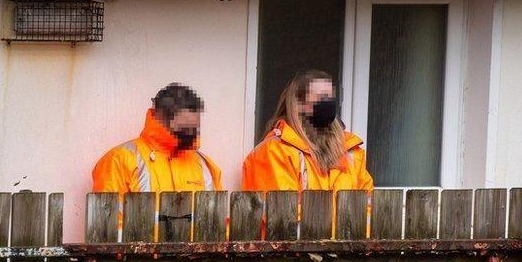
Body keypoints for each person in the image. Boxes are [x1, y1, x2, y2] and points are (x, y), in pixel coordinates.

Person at [243, 70, 372, 191]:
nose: (327, 104)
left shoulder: (350, 151)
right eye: (322, 97)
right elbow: (281, 210)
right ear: (299, 104)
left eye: (330, 98)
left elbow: (369, 204)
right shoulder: (275, 151)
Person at [93, 83, 222, 193]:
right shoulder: (120, 160)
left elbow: (219, 219)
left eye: (194, 129)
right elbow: (108, 218)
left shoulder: (205, 165)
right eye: (184, 129)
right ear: (160, 119)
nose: (191, 135)